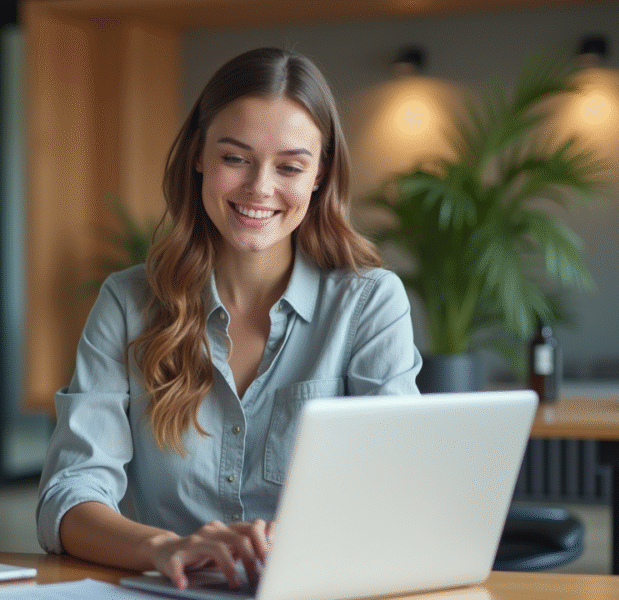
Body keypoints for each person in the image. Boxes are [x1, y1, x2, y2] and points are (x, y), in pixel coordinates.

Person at [36, 47, 421, 590]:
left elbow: (398, 490)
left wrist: (298, 542)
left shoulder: (369, 304)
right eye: (235, 158)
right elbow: (69, 497)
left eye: (290, 166)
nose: (260, 187)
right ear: (198, 155)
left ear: (319, 175)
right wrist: (167, 547)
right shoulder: (127, 303)